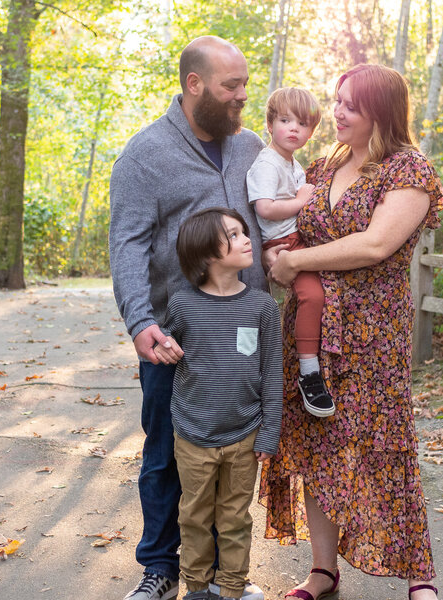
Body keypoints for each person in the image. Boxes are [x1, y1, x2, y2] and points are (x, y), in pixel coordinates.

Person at [260, 64, 443, 600]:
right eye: (336, 100)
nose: (336, 112)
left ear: (380, 113)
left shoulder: (407, 170)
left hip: (374, 333)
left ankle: (419, 574)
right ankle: (322, 572)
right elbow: (283, 222)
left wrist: (296, 265)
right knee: (320, 446)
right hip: (313, 335)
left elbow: (374, 246)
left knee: (384, 445)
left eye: (350, 104)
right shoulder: (324, 166)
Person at [109, 35, 274, 600]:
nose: (242, 97)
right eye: (232, 86)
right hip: (173, 339)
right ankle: (160, 568)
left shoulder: (253, 147)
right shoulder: (144, 154)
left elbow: (276, 219)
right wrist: (139, 324)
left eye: (245, 85)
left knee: (231, 462)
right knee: (165, 456)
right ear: (193, 85)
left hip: (245, 335)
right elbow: (127, 245)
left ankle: (223, 578)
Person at [163, 208, 283, 600]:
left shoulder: (262, 307)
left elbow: (272, 372)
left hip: (245, 435)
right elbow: (166, 349)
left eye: (244, 232)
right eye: (233, 235)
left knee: (234, 519)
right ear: (206, 253)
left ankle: (231, 588)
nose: (246, 239)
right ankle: (196, 588)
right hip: (193, 435)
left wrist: (269, 433)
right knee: (194, 517)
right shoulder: (182, 305)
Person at [246, 87, 333, 418]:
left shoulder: (292, 163)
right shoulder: (267, 164)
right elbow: (266, 209)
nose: (294, 128)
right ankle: (308, 372)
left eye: (303, 123)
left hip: (300, 237)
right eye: (285, 120)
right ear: (270, 125)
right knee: (312, 295)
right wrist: (302, 201)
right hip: (285, 242)